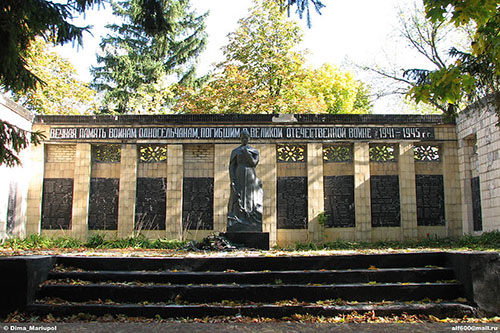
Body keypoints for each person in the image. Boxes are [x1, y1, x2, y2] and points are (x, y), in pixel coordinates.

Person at [227, 129, 263, 231]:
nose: (244, 140)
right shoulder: (235, 151)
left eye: (246, 138)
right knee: (239, 194)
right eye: (242, 138)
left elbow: (254, 163)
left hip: (250, 174)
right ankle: (239, 215)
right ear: (240, 139)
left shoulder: (254, 151)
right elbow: (232, 166)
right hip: (239, 172)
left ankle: (250, 215)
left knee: (250, 194)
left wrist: (247, 154)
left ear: (249, 138)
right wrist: (232, 180)